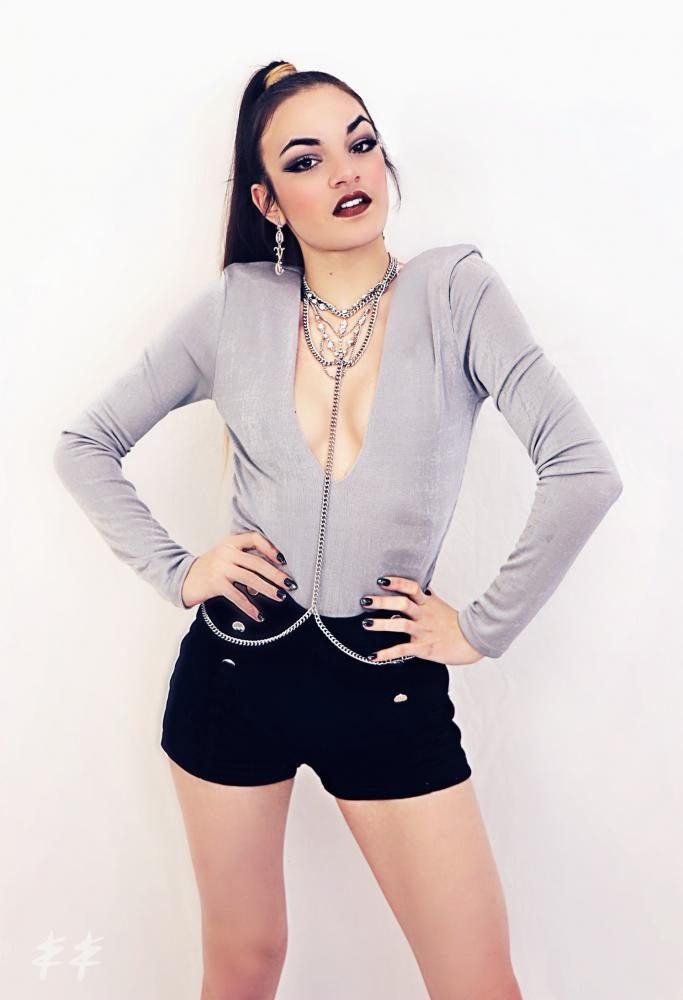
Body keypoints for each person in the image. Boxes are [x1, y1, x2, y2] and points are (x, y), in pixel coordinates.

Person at [53, 60, 623, 1000]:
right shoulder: (237, 306)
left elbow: (582, 469)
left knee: (477, 982)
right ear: (267, 201)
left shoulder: (456, 293)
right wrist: (179, 569)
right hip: (232, 670)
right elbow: (85, 444)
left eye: (360, 143)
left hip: (384, 684)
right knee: (243, 963)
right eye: (305, 160)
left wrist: (479, 628)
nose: (346, 171)